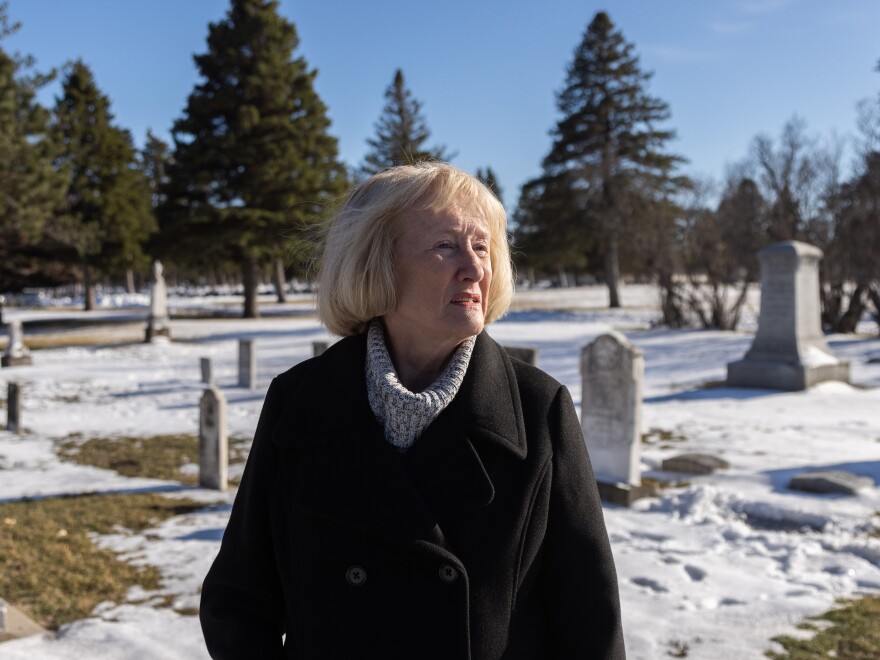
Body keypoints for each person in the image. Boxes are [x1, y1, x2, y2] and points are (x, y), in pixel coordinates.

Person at [199, 162, 626, 659]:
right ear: (376, 264)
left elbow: (590, 622)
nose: (474, 267)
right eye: (445, 245)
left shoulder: (538, 410)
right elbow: (239, 599)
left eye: (482, 246)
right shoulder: (299, 400)